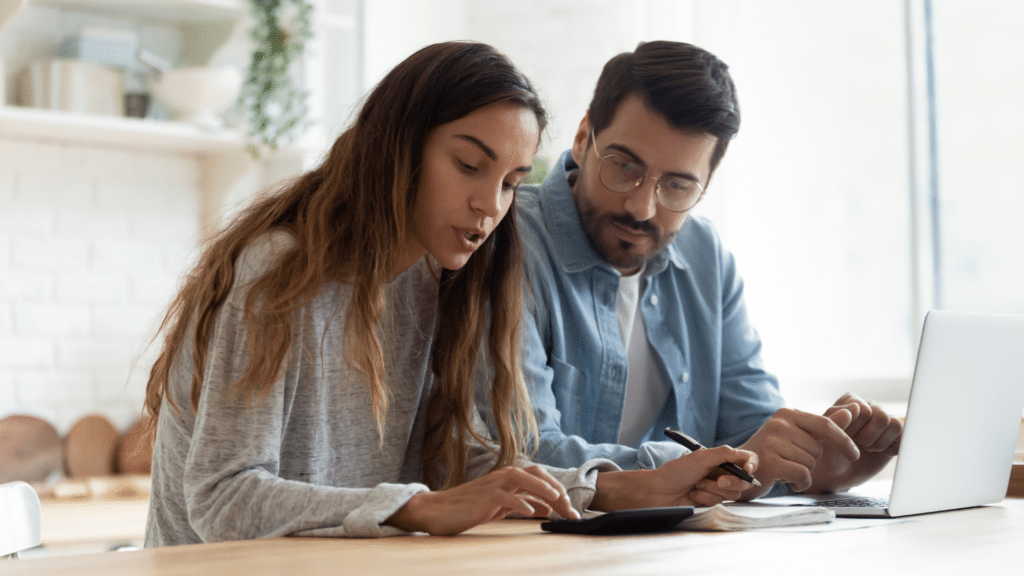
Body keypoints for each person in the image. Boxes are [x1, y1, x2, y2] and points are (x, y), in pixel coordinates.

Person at [141, 41, 758, 546]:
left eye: (512, 183)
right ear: (399, 148)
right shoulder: (279, 271)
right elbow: (222, 498)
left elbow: (470, 466)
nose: (490, 207)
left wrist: (627, 487)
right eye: (469, 165)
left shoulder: (446, 283)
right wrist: (417, 509)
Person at [514, 40, 902, 499]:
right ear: (583, 138)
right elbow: (523, 454)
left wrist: (822, 458)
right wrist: (706, 467)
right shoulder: (510, 240)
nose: (641, 207)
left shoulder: (705, 256)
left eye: (677, 185)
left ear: (706, 183)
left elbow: (753, 432)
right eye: (623, 166)